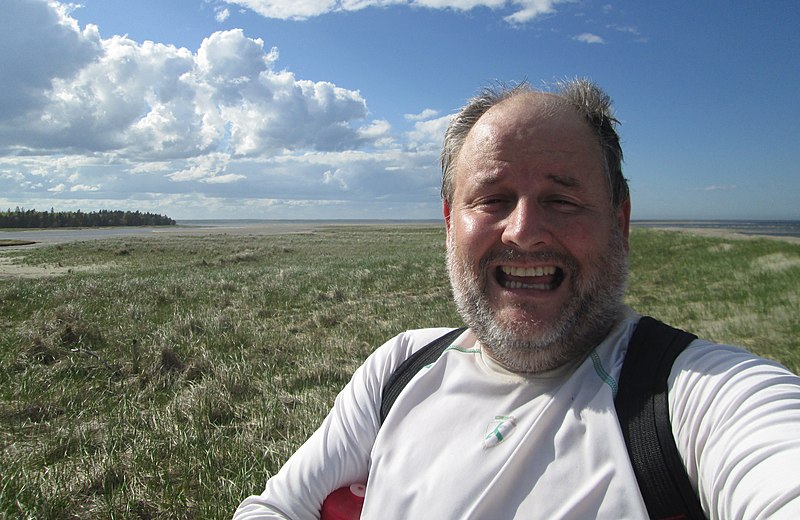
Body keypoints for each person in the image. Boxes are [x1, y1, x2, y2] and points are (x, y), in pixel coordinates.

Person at [234, 79, 800, 519]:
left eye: (562, 199)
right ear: (450, 222)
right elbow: (274, 508)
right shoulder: (401, 366)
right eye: (493, 198)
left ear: (620, 221)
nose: (524, 231)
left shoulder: (697, 398)